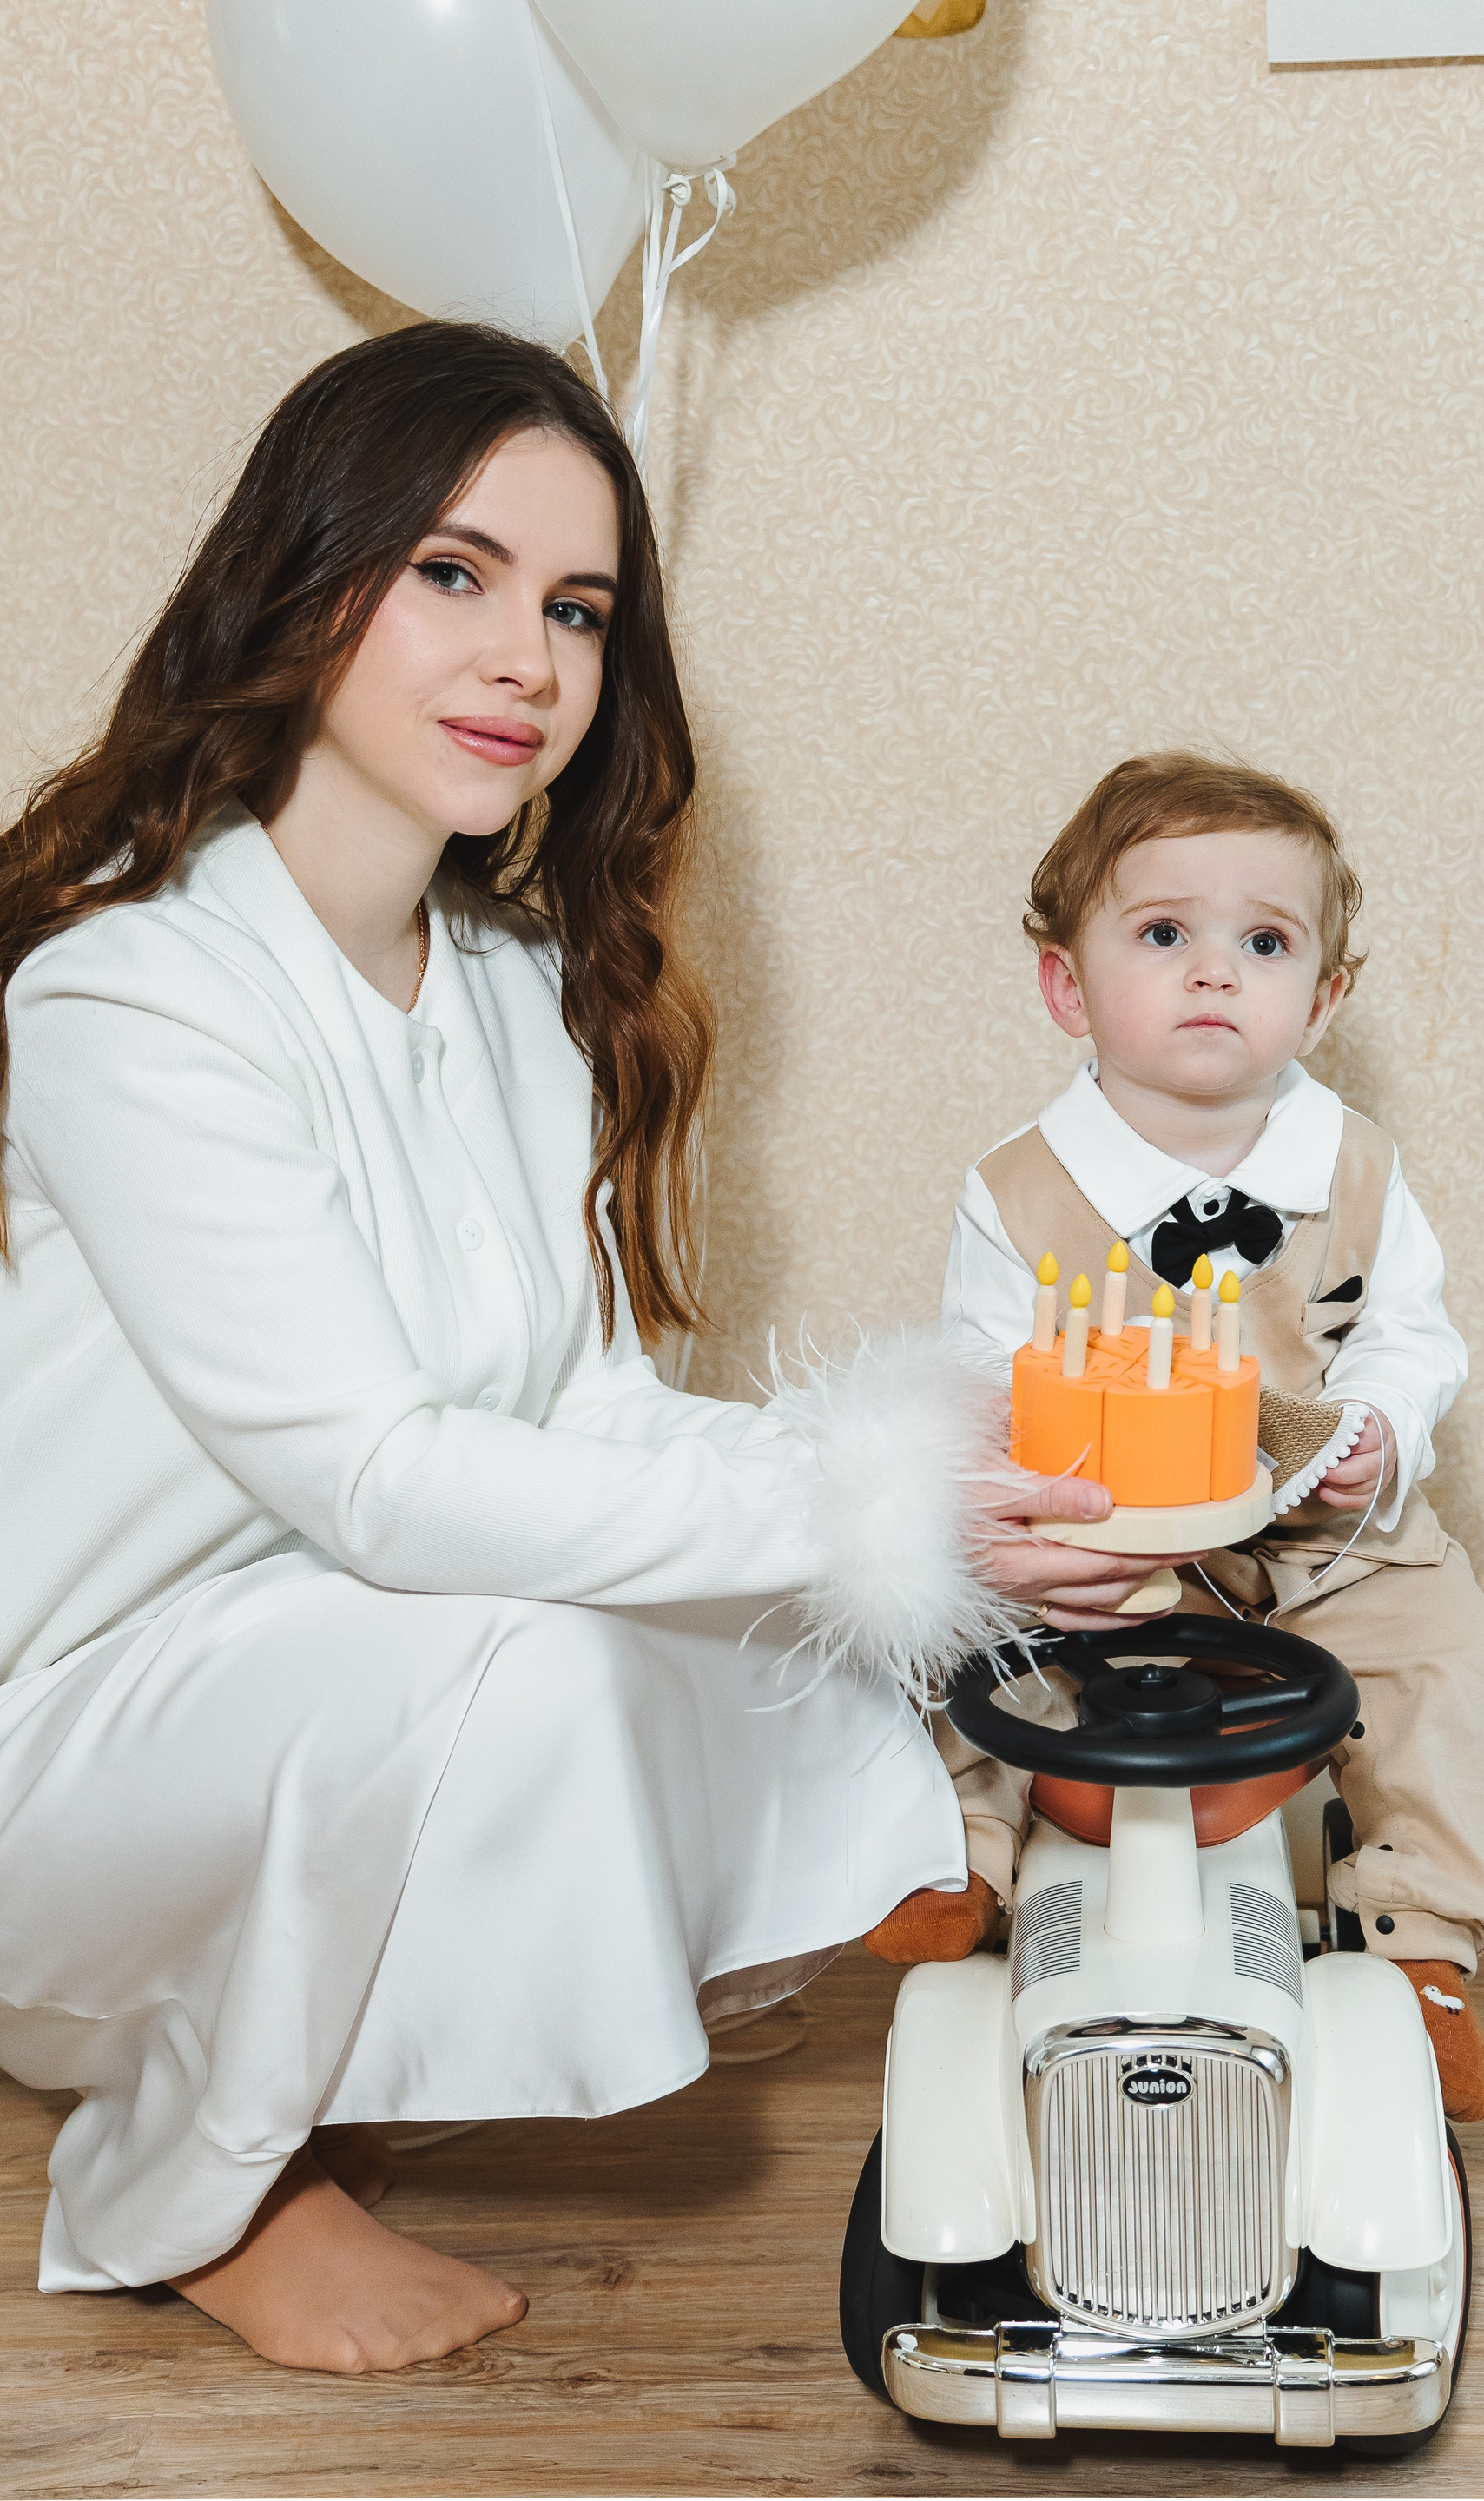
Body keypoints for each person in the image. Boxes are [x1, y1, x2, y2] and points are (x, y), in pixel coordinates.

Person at [0, 324, 1155, 2375]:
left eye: (578, 608)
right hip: (68, 1753)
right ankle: (188, 2185)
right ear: (303, 577)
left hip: (289, 1688)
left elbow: (590, 1409)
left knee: (679, 1603)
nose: (526, 657)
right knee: (517, 1644)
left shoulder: (512, 986)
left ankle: (327, 2041)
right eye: (454, 573)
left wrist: (927, 1500)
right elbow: (374, 1479)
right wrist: (841, 1522)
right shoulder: (131, 994)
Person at [867, 752, 1484, 2125]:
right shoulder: (1016, 1189)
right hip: (1116, 1538)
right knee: (962, 1627)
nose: (1216, 971)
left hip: (1324, 1540)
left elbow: (1412, 1331)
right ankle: (961, 1853)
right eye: (1165, 933)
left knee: (1451, 1659)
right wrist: (1027, 1506)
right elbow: (982, 1376)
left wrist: (1378, 1429)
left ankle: (1425, 1942)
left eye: (1265, 943)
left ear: (1322, 1000)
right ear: (1068, 987)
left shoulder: (1359, 1165)